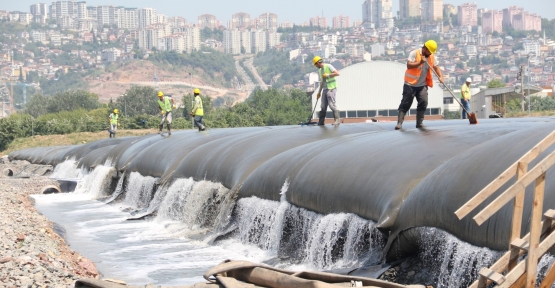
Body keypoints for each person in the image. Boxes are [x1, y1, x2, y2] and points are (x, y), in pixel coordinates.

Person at [395, 40, 444, 130]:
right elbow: (409, 65)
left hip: (422, 84)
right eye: (429, 51)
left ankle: (419, 123)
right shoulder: (414, 53)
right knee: (405, 103)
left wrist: (441, 76)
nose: (430, 54)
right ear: (425, 48)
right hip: (410, 84)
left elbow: (436, 67)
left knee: (423, 102)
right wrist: (420, 62)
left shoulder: (431, 57)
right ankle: (399, 123)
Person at [313, 56, 341, 126]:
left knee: (331, 104)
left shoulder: (328, 66)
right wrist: (319, 92)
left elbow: (337, 73)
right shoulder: (320, 71)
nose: (316, 66)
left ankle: (337, 120)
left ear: (318, 63)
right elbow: (322, 82)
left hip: (331, 88)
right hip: (325, 89)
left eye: (315, 64)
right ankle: (321, 121)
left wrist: (328, 75)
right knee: (323, 106)